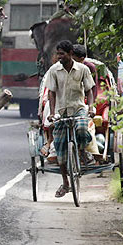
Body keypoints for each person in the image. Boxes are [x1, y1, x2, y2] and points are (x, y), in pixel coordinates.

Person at [45, 40, 95, 198]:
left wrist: (91, 107)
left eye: (62, 54)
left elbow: (89, 90)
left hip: (79, 108)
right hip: (61, 111)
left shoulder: (83, 69)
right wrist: (52, 113)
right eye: (58, 53)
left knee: (81, 129)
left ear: (70, 53)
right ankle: (66, 183)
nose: (59, 56)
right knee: (60, 150)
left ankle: (81, 152)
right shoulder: (54, 70)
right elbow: (51, 92)